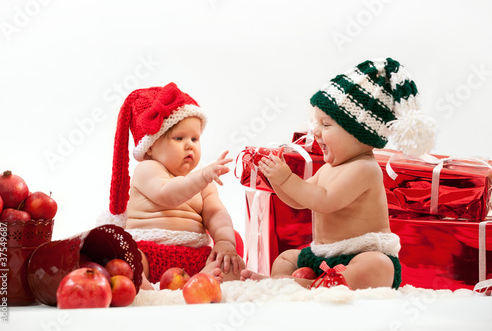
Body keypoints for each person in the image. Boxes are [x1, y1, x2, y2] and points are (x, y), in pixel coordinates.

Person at [238, 58, 437, 290]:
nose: (316, 132)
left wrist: (287, 178)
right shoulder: (329, 168)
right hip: (323, 257)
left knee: (378, 265)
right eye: (316, 123)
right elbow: (298, 200)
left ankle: (311, 284)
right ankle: (294, 284)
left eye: (326, 125)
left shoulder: (364, 168)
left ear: (359, 134)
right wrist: (276, 180)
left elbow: (324, 200)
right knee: (286, 257)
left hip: (359, 254)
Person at [98, 82, 245, 290]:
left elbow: (215, 213)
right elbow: (169, 194)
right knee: (123, 260)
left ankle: (201, 278)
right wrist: (202, 177)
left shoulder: (202, 181)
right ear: (149, 147)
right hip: (147, 252)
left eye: (195, 138)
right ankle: (143, 285)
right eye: (179, 138)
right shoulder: (148, 169)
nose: (190, 145)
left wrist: (224, 241)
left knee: (233, 264)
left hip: (194, 256)